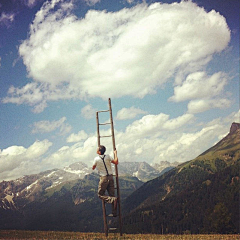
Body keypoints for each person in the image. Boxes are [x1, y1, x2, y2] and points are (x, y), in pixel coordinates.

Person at [92, 145, 118, 216]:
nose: (96, 150)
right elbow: (116, 162)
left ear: (99, 152)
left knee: (100, 194)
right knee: (112, 194)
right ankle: (114, 213)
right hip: (110, 177)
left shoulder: (96, 159)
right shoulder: (108, 156)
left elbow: (93, 168)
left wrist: (96, 166)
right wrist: (115, 153)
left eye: (97, 149)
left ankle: (112, 200)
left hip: (103, 178)